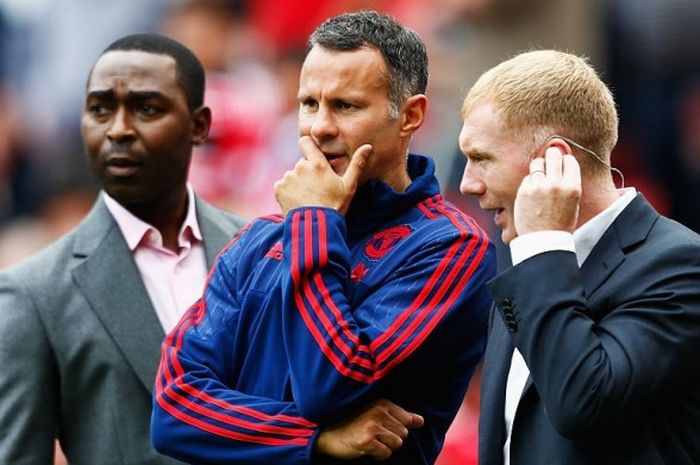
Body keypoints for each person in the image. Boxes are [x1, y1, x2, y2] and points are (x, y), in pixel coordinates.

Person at [151, 10, 496, 465]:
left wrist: (314, 219)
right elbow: (172, 412)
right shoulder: (259, 240)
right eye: (309, 104)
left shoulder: (451, 246)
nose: (319, 128)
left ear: (410, 115)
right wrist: (315, 440)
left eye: (346, 106)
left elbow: (332, 387)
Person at [0, 34, 246, 465]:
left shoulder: (260, 251)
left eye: (146, 108)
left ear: (199, 125)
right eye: (100, 109)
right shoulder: (35, 294)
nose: (118, 129)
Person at [458, 49, 700, 465]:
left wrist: (545, 243)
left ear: (553, 160)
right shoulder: (526, 266)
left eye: (482, 158)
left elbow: (582, 400)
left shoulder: (682, 266)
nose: (466, 184)